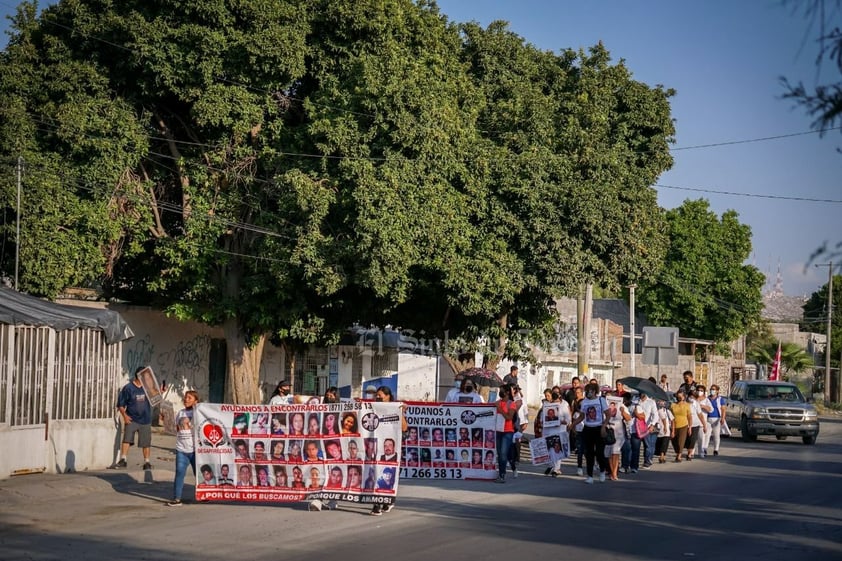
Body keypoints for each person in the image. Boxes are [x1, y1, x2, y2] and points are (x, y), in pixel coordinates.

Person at [370, 386, 407, 516]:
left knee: (388, 476)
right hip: (377, 449)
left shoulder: (394, 408)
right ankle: (376, 504)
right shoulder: (372, 407)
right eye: (377, 395)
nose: (378, 397)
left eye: (380, 395)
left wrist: (400, 412)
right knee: (375, 475)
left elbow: (404, 429)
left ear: (388, 396)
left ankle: (387, 501)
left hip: (391, 451)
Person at [166, 390, 200, 506]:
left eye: (190, 398)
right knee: (179, 473)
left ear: (196, 401)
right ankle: (177, 498)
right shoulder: (180, 413)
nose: (186, 400)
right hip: (182, 450)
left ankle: (204, 494)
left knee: (199, 474)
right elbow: (175, 428)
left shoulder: (199, 414)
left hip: (196, 451)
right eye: (185, 397)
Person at [115, 367, 153, 470]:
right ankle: (123, 460)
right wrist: (125, 416)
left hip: (145, 420)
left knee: (146, 442)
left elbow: (155, 398)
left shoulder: (148, 387)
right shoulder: (128, 388)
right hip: (132, 418)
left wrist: (161, 391)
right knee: (127, 439)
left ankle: (147, 462)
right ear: (139, 376)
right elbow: (121, 405)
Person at [571, 382, 609, 484]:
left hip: (598, 428)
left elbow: (608, 414)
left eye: (590, 391)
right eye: (586, 391)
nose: (588, 393)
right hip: (588, 429)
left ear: (595, 391)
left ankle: (602, 471)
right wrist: (573, 424)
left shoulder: (601, 400)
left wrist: (604, 426)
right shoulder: (584, 402)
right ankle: (590, 476)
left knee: (600, 452)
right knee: (589, 453)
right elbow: (582, 416)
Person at [493, 383, 521, 483]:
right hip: (498, 430)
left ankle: (502, 475)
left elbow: (509, 417)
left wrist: (499, 409)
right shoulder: (497, 402)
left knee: (503, 454)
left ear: (507, 392)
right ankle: (506, 470)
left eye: (502, 391)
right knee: (500, 454)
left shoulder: (511, 404)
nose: (500, 393)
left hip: (507, 432)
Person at [604, 397, 631, 481]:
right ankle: (612, 472)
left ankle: (614, 473)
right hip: (608, 431)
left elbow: (629, 418)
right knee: (609, 454)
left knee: (615, 453)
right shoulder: (605, 406)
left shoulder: (622, 406)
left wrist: (622, 411)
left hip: (618, 433)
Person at [670, 390, 693, 462]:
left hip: (684, 425)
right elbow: (670, 416)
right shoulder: (673, 405)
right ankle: (677, 452)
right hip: (674, 425)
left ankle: (679, 455)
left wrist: (690, 427)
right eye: (678, 396)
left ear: (684, 397)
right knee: (674, 441)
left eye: (681, 396)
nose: (679, 398)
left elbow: (689, 417)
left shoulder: (687, 405)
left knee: (681, 441)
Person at [705, 384, 726, 456]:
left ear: (717, 391)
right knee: (707, 435)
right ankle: (705, 448)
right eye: (711, 389)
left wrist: (722, 418)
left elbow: (723, 409)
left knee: (716, 435)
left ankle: (716, 449)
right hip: (708, 419)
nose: (712, 391)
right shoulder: (707, 399)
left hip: (716, 419)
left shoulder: (720, 399)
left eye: (714, 389)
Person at [655, 399, 675, 464]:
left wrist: (672, 430)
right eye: (660, 401)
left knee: (664, 444)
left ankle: (662, 456)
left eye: (662, 401)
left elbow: (672, 420)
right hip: (657, 431)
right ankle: (662, 456)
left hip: (666, 431)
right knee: (659, 444)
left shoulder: (667, 411)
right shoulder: (655, 410)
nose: (661, 403)